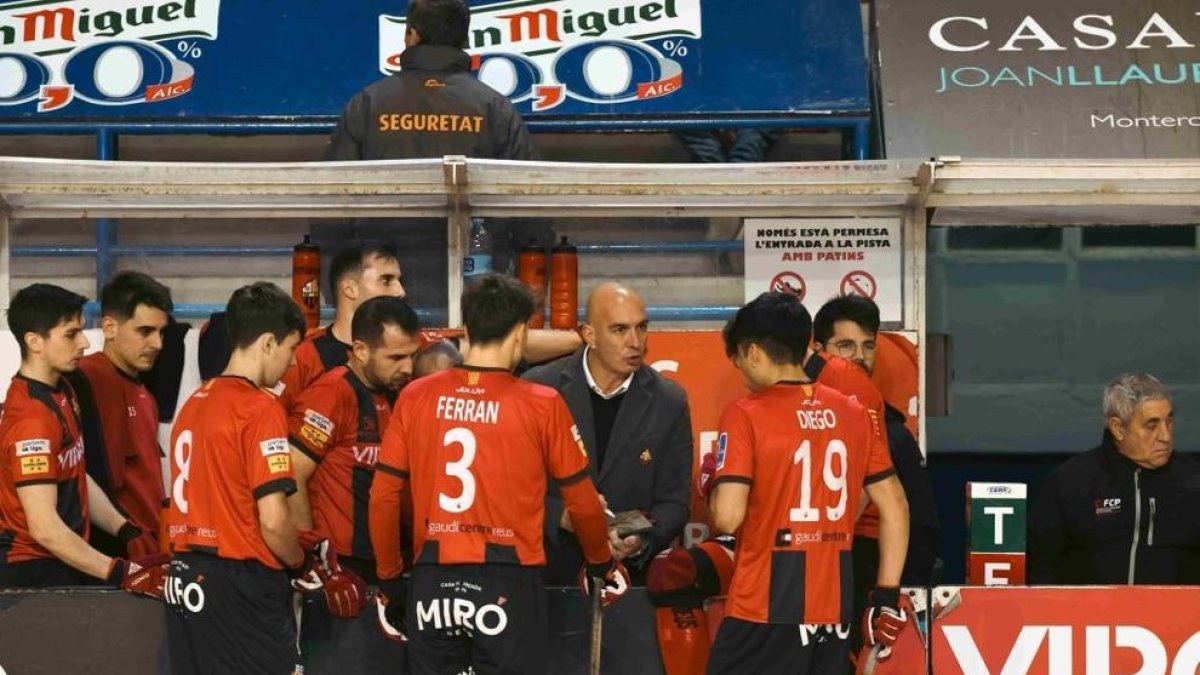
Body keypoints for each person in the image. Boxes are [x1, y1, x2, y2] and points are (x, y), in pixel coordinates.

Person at [369, 274, 630, 674]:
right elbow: (581, 501)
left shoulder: (415, 397)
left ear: (468, 329)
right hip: (509, 580)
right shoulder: (542, 403)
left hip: (432, 576)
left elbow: (384, 496)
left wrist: (389, 579)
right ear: (521, 332)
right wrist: (600, 563)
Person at [164, 282, 366, 675]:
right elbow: (273, 521)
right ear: (268, 343)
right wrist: (300, 562)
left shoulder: (194, 404)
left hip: (187, 578)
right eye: (292, 349)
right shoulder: (259, 408)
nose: (292, 364)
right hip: (242, 584)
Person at [706, 292, 910, 675]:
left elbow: (728, 517)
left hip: (762, 606)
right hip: (832, 608)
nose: (741, 372)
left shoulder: (744, 413)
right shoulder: (852, 412)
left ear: (752, 352)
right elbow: (895, 505)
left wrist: (714, 478)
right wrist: (885, 594)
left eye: (737, 360)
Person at [321, 0, 549, 310]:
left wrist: (337, 297)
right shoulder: (494, 108)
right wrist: (525, 305)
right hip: (475, 301)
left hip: (380, 301)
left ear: (411, 36)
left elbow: (330, 206)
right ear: (464, 40)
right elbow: (533, 211)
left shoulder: (368, 104)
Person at [0, 283, 167, 596]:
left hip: (64, 561)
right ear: (35, 342)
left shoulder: (63, 389)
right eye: (71, 333)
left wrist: (124, 528)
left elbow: (75, 471)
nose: (84, 342)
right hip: (32, 574)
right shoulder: (31, 420)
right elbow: (43, 527)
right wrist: (119, 571)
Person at [523, 282, 693, 585]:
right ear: (590, 335)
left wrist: (642, 540)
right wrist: (563, 516)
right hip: (547, 574)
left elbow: (674, 502)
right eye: (619, 330)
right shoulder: (539, 389)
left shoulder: (669, 401)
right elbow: (514, 489)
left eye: (642, 328)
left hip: (629, 582)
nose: (635, 342)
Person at [287, 296, 421, 582]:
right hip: (343, 565)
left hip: (392, 561)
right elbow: (292, 473)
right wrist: (313, 560)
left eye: (413, 355)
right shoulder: (331, 394)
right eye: (396, 357)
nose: (408, 368)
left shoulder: (401, 393)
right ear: (360, 350)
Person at [1028, 373, 1200, 585]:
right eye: (1151, 425)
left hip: (1180, 617)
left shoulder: (1194, 483)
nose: (1165, 436)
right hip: (1088, 616)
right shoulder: (1069, 483)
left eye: (1169, 421)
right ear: (1118, 428)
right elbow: (1040, 570)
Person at [67, 271, 173, 558]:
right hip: (113, 549)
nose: (158, 344)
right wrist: (124, 534)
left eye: (161, 332)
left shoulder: (146, 395)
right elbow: (74, 474)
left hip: (151, 547)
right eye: (145, 331)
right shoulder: (82, 380)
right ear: (110, 327)